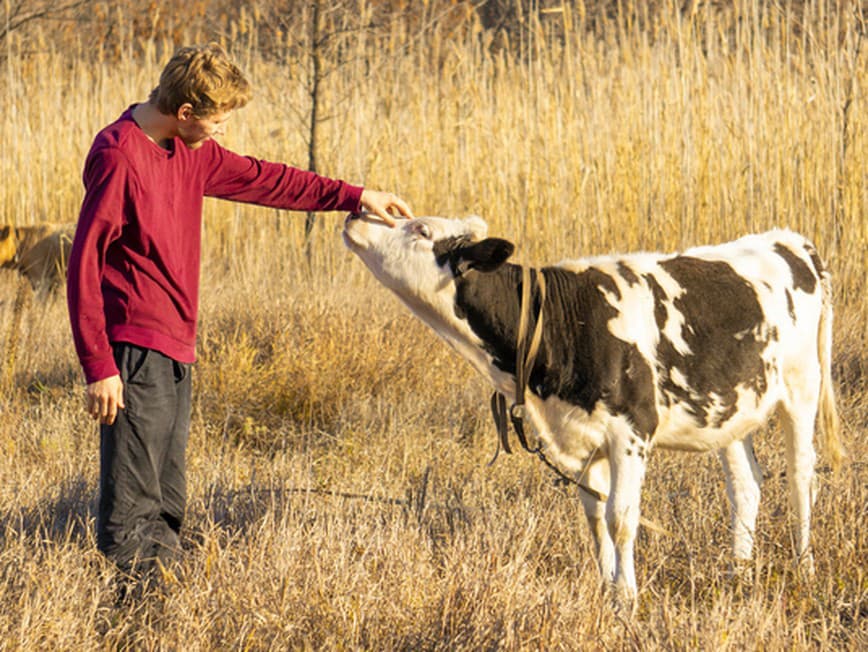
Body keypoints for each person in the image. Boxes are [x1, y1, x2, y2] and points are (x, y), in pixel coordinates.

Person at [66, 43, 413, 590]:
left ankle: (165, 609)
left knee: (168, 497)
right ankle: (131, 619)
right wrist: (99, 365)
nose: (222, 133)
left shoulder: (191, 150)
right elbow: (84, 263)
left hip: (178, 343)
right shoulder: (119, 155)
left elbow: (267, 180)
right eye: (217, 121)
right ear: (185, 113)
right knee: (133, 506)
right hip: (135, 345)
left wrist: (356, 195)